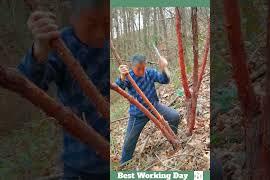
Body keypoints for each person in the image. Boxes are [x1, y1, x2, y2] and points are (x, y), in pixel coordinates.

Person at [17, 0, 109, 179]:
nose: (99, 33)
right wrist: (40, 50)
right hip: (80, 167)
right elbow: (28, 84)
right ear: (73, 18)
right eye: (90, 24)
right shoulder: (61, 45)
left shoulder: (110, 45)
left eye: (106, 23)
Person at [116, 54, 181, 166]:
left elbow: (164, 80)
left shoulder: (149, 72)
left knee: (174, 116)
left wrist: (163, 68)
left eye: (143, 68)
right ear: (132, 67)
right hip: (137, 114)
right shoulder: (129, 76)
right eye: (138, 69)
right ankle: (124, 164)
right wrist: (122, 76)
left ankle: (173, 138)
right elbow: (119, 86)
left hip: (154, 107)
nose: (142, 71)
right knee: (129, 141)